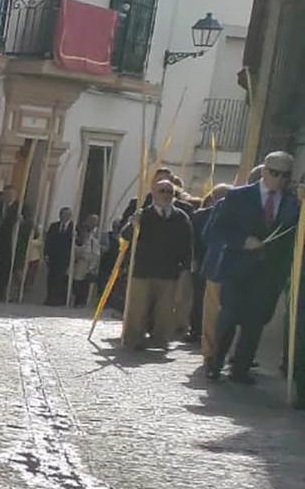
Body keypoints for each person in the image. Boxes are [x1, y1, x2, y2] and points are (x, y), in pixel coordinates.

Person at [203, 150, 300, 383]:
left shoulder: (293, 203)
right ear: (264, 171)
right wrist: (241, 241)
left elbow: (293, 237)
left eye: (285, 175)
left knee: (255, 322)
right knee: (229, 317)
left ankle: (241, 369)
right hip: (237, 268)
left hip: (269, 273)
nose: (280, 179)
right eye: (275, 173)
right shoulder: (238, 196)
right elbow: (217, 229)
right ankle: (215, 363)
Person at [121, 176, 195, 351]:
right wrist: (133, 224)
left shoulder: (181, 217)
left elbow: (187, 244)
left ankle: (161, 339)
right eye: (162, 191)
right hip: (142, 270)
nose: (166, 195)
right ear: (153, 193)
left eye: (170, 192)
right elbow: (125, 236)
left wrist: (185, 268)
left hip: (168, 271)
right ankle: (133, 339)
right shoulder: (143, 214)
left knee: (165, 310)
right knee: (138, 308)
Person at [189, 185, 228, 351]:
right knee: (199, 298)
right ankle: (197, 330)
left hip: (224, 265)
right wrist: (194, 259)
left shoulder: (233, 214)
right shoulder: (200, 216)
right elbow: (195, 239)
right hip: (203, 261)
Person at [42, 207, 75, 306]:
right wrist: (46, 253)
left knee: (60, 278)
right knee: (51, 277)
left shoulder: (73, 228)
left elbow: (77, 243)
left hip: (65, 256)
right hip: (53, 256)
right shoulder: (54, 226)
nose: (65, 217)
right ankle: (49, 297)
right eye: (64, 214)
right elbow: (48, 241)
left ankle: (57, 299)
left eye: (68, 215)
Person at [70, 213, 102, 307]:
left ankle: (82, 301)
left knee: (87, 281)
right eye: (91, 220)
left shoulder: (99, 233)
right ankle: (77, 299)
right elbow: (77, 243)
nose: (92, 223)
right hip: (83, 258)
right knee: (77, 280)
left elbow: (103, 246)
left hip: (93, 259)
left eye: (95, 221)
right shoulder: (81, 230)